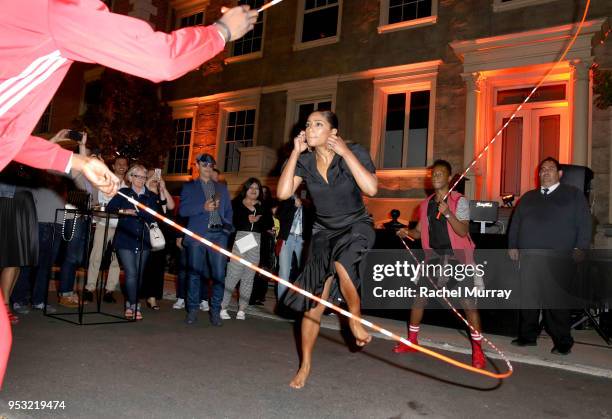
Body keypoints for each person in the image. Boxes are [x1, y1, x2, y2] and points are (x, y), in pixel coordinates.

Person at [0, 0, 257, 387]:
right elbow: (160, 59)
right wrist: (220, 32)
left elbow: (7, 134)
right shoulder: (52, 7)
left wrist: (73, 163)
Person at [277, 110, 378, 389]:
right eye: (308, 124)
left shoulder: (353, 151)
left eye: (318, 124)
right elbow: (284, 193)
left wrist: (346, 152)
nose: (310, 128)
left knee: (344, 264)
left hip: (356, 226)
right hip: (323, 233)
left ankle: (355, 320)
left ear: (333, 133)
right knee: (313, 304)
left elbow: (371, 188)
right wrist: (295, 153)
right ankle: (305, 365)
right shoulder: (305, 160)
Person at [395, 160, 486, 369]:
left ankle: (478, 352)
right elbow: (419, 232)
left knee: (469, 305)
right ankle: (412, 341)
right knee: (419, 300)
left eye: (440, 173)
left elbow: (463, 231)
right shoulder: (425, 204)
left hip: (458, 258)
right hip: (434, 259)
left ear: (448, 177)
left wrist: (447, 212)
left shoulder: (459, 201)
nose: (435, 176)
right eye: (433, 173)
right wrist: (406, 232)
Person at [508, 157, 592, 355]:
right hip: (529, 258)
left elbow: (584, 223)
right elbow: (516, 223)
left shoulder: (573, 195)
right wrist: (512, 245)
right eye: (542, 169)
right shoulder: (528, 197)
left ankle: (563, 342)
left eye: (550, 169)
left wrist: (581, 248)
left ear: (560, 174)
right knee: (528, 298)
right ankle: (527, 336)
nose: (545, 172)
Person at [179, 154, 233, 326]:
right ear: (197, 165)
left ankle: (215, 310)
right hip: (197, 235)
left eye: (211, 165)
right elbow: (183, 211)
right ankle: (193, 310)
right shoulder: (189, 187)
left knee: (218, 275)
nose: (208, 168)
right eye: (204, 165)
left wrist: (226, 230)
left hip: (218, 235)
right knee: (194, 274)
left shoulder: (221, 189)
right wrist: (202, 207)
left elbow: (229, 212)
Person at [106, 165, 160, 320]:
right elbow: (110, 208)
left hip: (144, 239)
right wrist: (124, 211)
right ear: (130, 177)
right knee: (131, 273)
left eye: (143, 177)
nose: (141, 180)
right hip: (125, 238)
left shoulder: (150, 196)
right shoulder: (124, 193)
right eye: (137, 176)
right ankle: (134, 303)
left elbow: (152, 216)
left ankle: (131, 302)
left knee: (139, 275)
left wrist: (137, 212)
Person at [220, 178, 272, 320]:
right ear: (246, 189)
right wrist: (246, 220)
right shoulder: (235, 204)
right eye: (251, 187)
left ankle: (242, 309)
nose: (254, 190)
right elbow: (228, 222)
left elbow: (269, 225)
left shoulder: (264, 206)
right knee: (233, 274)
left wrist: (260, 222)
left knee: (248, 276)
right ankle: (223, 307)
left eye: (257, 188)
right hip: (240, 239)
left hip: (256, 241)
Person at [83, 156, 130, 304]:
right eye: (119, 164)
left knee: (116, 259)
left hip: (120, 226)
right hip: (104, 223)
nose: (122, 166)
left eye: (124, 164)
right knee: (96, 255)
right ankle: (90, 288)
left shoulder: (128, 186)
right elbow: (99, 202)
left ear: (127, 167)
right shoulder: (105, 181)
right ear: (113, 166)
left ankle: (109, 290)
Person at [142, 169, 175, 310]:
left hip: (158, 236)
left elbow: (171, 206)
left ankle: (153, 297)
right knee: (143, 266)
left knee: (156, 266)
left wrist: (163, 187)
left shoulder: (160, 194)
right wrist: (149, 183)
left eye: (157, 176)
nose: (155, 179)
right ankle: (137, 295)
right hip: (144, 232)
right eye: (151, 176)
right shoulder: (143, 194)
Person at [276, 191, 313, 300]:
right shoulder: (286, 198)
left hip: (303, 240)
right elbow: (279, 215)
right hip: (287, 238)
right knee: (284, 272)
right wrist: (294, 207)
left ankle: (300, 303)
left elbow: (312, 220)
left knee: (305, 272)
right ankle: (281, 303)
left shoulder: (310, 201)